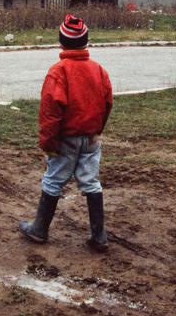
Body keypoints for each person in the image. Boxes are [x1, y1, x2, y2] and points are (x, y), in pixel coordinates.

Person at [18, 14, 114, 253]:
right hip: (91, 138)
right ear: (86, 42)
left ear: (61, 42)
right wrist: (96, 130)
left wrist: (48, 143)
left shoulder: (58, 72)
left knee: (53, 180)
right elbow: (107, 102)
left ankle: (39, 229)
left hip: (66, 139)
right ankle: (99, 235)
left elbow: (50, 113)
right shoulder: (98, 70)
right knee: (91, 181)